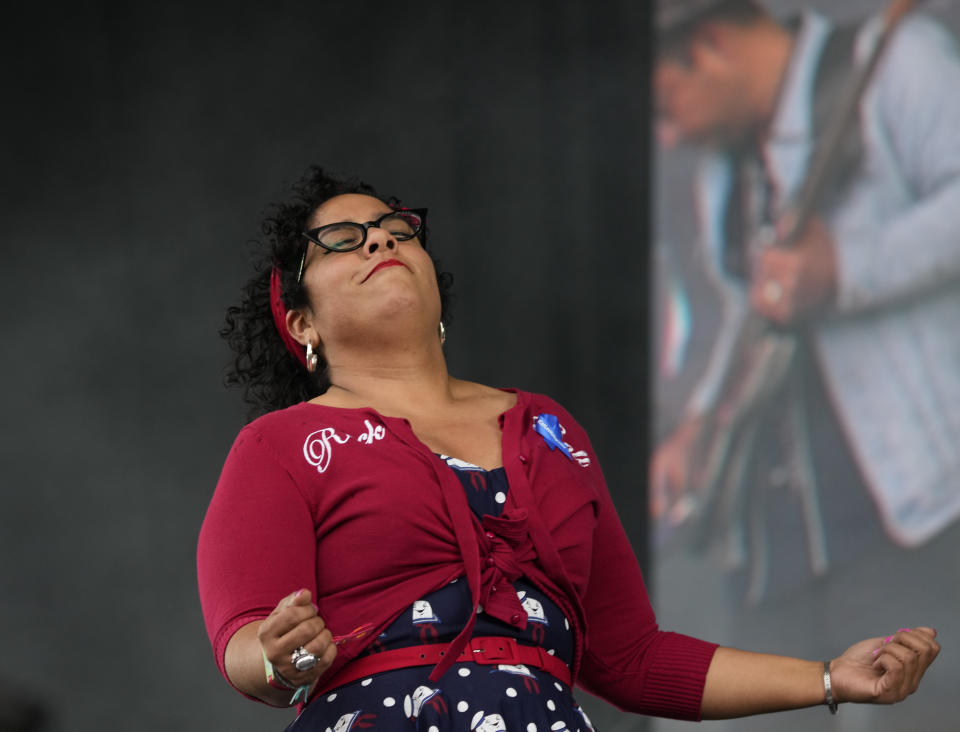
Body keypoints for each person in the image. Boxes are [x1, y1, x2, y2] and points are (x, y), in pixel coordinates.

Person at [197, 165, 939, 730]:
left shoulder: (547, 428)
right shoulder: (280, 445)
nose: (383, 240)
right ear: (300, 324)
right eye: (342, 241)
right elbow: (246, 644)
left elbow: (631, 657)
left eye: (396, 228)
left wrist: (830, 679)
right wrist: (276, 654)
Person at [650, 0, 960, 603]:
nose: (670, 136)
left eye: (666, 106)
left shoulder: (898, 62)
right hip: (772, 551)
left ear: (711, 45)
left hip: (910, 521)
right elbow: (753, 306)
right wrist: (700, 424)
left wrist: (847, 267)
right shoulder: (723, 170)